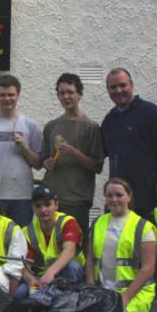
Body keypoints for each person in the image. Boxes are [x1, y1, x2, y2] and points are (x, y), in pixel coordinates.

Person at [86, 178, 156, 312]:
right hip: (103, 290)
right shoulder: (98, 223)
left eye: (119, 195)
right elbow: (90, 260)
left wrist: (126, 297)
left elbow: (148, 268)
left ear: (129, 197)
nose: (114, 199)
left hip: (133, 293)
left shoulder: (143, 227)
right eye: (109, 195)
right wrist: (90, 289)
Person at [101, 68, 157, 220]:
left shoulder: (151, 113)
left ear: (131, 85)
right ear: (107, 90)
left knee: (152, 243)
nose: (118, 90)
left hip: (150, 201)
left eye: (122, 85)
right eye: (113, 87)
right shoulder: (109, 121)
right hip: (120, 203)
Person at [0, 74, 42, 226]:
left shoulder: (30, 125)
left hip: (23, 197)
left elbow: (38, 163)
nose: (7, 99)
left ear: (18, 95)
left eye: (11, 94)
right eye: (2, 95)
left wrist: (24, 147)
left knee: (20, 243)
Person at [40, 73, 104, 241]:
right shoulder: (51, 126)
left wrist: (74, 152)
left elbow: (97, 167)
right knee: (51, 247)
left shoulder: (91, 128)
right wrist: (47, 163)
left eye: (70, 92)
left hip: (77, 200)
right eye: (61, 93)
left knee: (75, 248)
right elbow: (44, 160)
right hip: (51, 199)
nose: (66, 97)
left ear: (80, 94)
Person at [16, 185, 85, 299]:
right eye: (38, 206)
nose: (43, 210)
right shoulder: (26, 232)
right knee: (20, 293)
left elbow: (70, 250)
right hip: (41, 278)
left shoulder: (68, 222)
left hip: (66, 275)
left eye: (47, 204)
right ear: (32, 208)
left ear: (56, 205)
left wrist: (50, 273)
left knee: (73, 266)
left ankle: (71, 301)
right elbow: (25, 266)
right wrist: (31, 280)